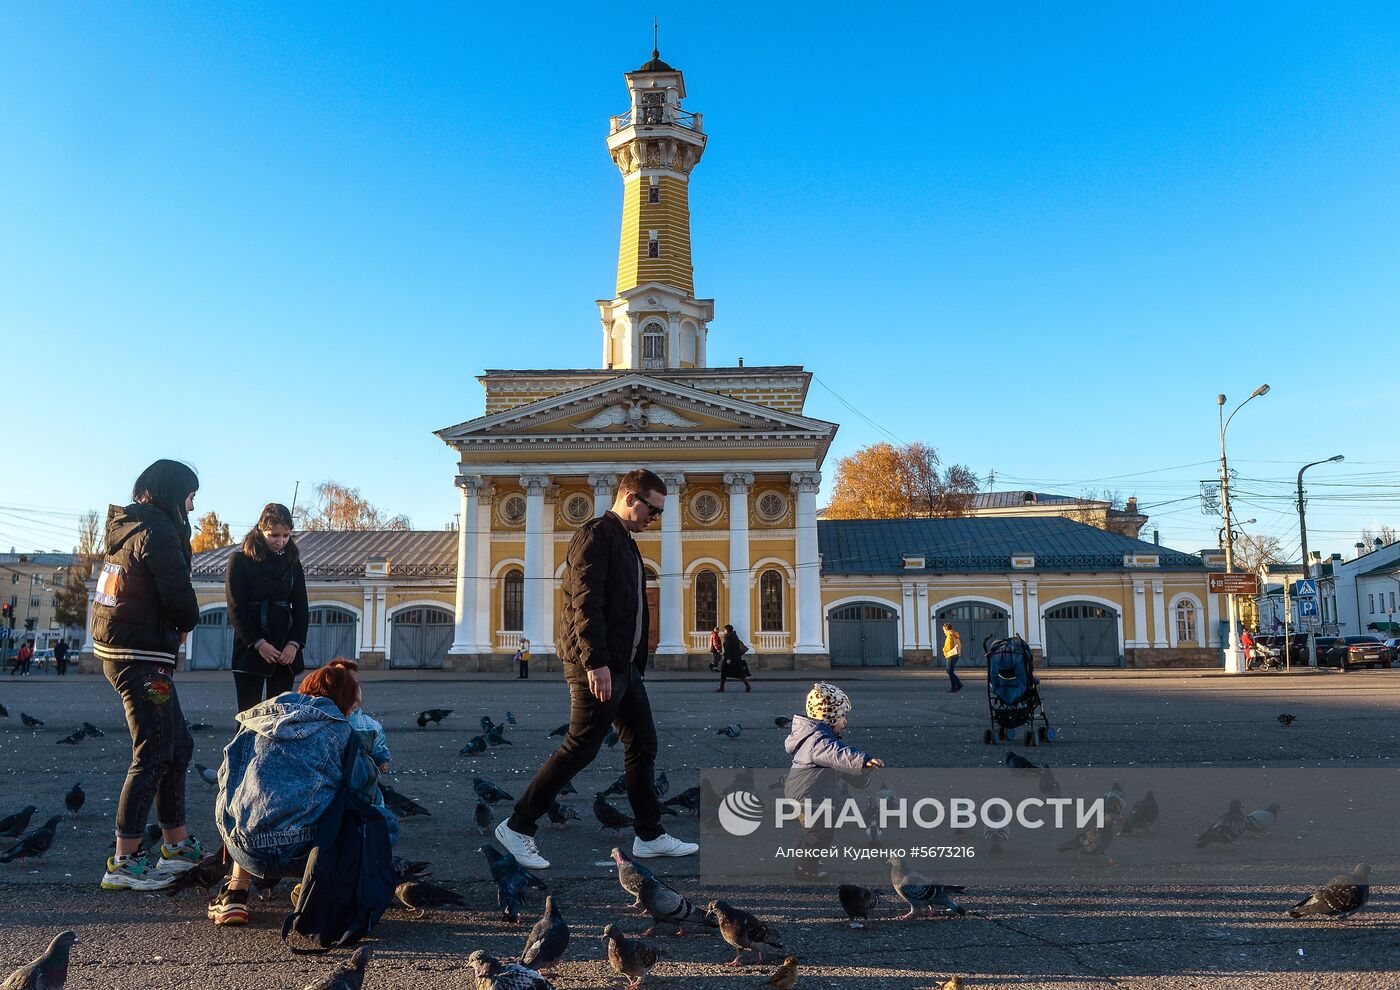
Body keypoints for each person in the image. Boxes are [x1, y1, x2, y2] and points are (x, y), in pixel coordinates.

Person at [495, 469, 697, 869]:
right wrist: (596, 662)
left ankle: (650, 835)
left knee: (643, 743)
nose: (654, 521)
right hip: (599, 665)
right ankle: (518, 827)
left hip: (624, 667)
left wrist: (628, 663)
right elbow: (584, 603)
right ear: (631, 498)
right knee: (580, 747)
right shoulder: (596, 536)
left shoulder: (625, 542)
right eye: (652, 511)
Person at [92, 459, 204, 891]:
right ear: (174, 494)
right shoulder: (158, 533)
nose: (193, 508)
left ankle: (174, 844)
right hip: (141, 657)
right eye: (191, 497)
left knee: (178, 745)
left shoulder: (130, 528)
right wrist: (185, 622)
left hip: (129, 651)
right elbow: (181, 600)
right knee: (154, 750)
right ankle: (125, 860)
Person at [209, 659, 391, 926]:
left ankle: (234, 894)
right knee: (382, 819)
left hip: (246, 850)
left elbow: (225, 781)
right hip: (303, 851)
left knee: (243, 796)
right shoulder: (341, 731)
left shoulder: (253, 723)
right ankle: (322, 886)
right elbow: (364, 791)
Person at [783, 682, 883, 879]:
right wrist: (863, 760)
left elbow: (838, 767)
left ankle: (806, 858)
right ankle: (805, 868)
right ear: (829, 717)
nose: (845, 721)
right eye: (842, 716)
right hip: (810, 797)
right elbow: (839, 755)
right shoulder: (821, 740)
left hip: (808, 794)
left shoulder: (816, 736)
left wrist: (861, 779)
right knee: (820, 833)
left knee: (818, 832)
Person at [226, 503, 309, 713]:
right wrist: (258, 643)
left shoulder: (293, 563)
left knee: (279, 718)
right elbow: (236, 609)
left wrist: (294, 644)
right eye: (274, 535)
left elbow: (302, 608)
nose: (280, 542)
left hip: (285, 652)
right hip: (250, 650)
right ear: (260, 530)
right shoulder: (239, 561)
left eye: (286, 535)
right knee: (248, 717)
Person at [717, 623, 751, 692]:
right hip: (735, 658)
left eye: (724, 630)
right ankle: (722, 687)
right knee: (727, 672)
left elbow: (729, 648)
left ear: (727, 630)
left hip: (732, 659)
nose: (724, 631)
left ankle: (747, 686)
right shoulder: (733, 636)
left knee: (738, 673)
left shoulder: (730, 638)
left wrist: (728, 658)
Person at [942, 622, 963, 693]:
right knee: (949, 671)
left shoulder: (949, 636)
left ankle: (954, 687)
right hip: (955, 654)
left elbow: (949, 647)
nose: (943, 631)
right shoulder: (954, 634)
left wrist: (944, 650)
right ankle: (959, 684)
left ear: (946, 629)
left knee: (950, 671)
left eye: (944, 630)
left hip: (951, 654)